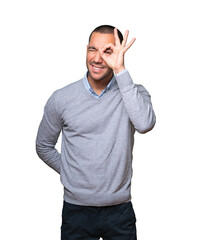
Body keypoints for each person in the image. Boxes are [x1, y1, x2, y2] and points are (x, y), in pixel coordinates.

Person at [36, 25, 156, 240]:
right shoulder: (61, 98)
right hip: (76, 211)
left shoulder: (133, 93)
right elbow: (43, 145)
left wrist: (121, 71)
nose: (98, 58)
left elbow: (145, 124)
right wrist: (70, 173)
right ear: (86, 50)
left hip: (119, 210)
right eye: (93, 49)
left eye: (107, 51)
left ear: (119, 55)